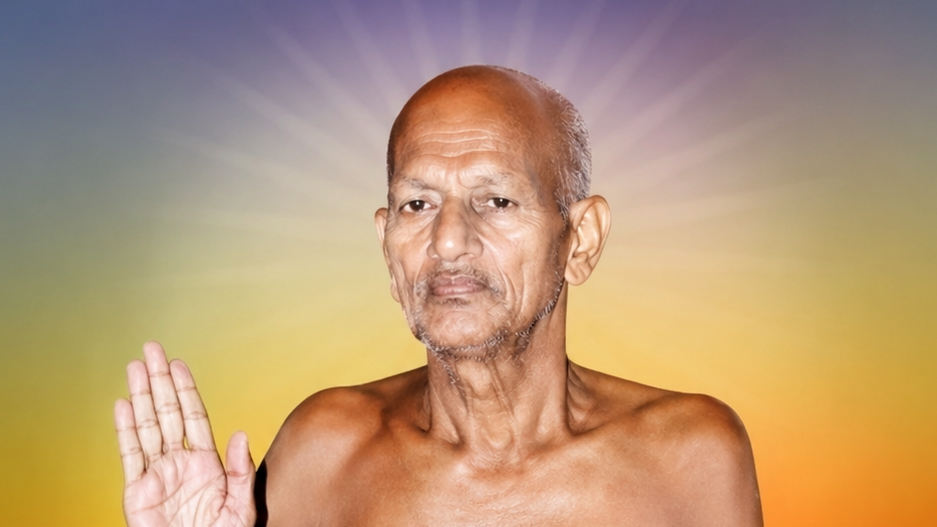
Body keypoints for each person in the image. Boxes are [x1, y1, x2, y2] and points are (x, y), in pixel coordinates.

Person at [114, 65, 763, 526]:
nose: (448, 240)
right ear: (386, 243)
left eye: (496, 199)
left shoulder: (689, 458)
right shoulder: (324, 453)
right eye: (417, 203)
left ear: (580, 239)